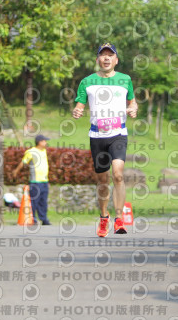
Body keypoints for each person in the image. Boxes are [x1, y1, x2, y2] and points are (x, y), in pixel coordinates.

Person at [72, 43, 138, 237]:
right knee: (102, 180)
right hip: (97, 136)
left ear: (116, 60)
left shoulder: (125, 80)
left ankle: (119, 219)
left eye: (111, 55)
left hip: (118, 133)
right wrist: (77, 110)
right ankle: (103, 217)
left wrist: (134, 108)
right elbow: (80, 104)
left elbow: (132, 101)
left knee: (117, 174)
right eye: (103, 55)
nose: (106, 58)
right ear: (97, 60)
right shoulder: (87, 81)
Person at [12, 134, 51, 225]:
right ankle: (33, 218)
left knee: (43, 201)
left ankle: (44, 218)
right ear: (40, 142)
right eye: (44, 141)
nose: (46, 143)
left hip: (44, 180)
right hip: (35, 181)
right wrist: (16, 171)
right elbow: (23, 162)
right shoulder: (31, 152)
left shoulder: (44, 151)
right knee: (34, 201)